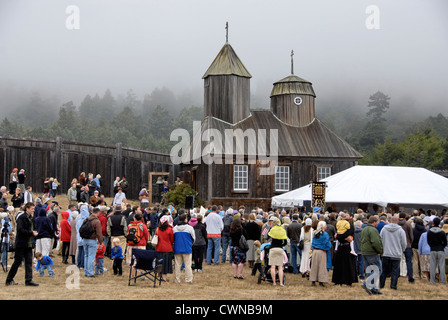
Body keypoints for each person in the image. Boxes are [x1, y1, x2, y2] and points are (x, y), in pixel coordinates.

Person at [6, 202, 39, 286]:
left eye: (33, 208)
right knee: (17, 262)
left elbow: (32, 228)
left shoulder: (31, 218)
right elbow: (20, 230)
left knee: (28, 262)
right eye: (32, 208)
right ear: (27, 209)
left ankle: (28, 280)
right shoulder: (21, 218)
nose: (33, 210)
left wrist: (34, 232)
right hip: (21, 244)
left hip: (29, 244)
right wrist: (31, 233)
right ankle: (9, 279)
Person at [379, 215, 407, 290]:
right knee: (395, 271)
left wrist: (382, 249)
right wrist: (402, 250)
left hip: (386, 253)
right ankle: (393, 286)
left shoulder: (384, 229)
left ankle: (381, 285)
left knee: (384, 271)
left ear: (390, 220)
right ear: (397, 221)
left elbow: (380, 240)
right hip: (396, 254)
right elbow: (404, 242)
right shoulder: (401, 231)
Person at [332, 213, 358, 286]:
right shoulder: (339, 224)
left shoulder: (351, 226)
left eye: (347, 215)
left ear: (350, 217)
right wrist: (340, 237)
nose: (345, 217)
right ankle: (338, 280)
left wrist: (339, 236)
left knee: (348, 264)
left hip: (347, 247)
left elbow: (345, 235)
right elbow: (338, 235)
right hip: (340, 246)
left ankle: (348, 281)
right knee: (339, 264)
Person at [360, 215, 384, 295]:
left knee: (370, 271)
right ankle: (367, 284)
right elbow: (376, 242)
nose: (377, 223)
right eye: (377, 222)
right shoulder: (373, 230)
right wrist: (380, 251)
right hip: (372, 253)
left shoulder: (364, 229)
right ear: (374, 222)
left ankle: (374, 289)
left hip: (365, 252)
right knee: (378, 270)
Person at [173, 213, 195, 284]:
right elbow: (194, 238)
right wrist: (190, 244)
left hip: (177, 248)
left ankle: (177, 279)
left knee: (177, 265)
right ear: (185, 219)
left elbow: (173, 239)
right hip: (187, 248)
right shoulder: (189, 228)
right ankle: (188, 279)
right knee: (188, 265)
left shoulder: (175, 228)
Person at [81, 207, 103, 278]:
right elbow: (99, 233)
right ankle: (90, 272)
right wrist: (100, 242)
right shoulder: (96, 221)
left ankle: (86, 272)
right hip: (92, 240)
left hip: (85, 239)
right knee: (91, 257)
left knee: (86, 256)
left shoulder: (86, 219)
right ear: (98, 212)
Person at [310, 221, 332, 287]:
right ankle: (321, 281)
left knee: (314, 267)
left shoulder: (315, 233)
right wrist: (330, 245)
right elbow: (326, 244)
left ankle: (313, 281)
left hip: (315, 251)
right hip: (322, 252)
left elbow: (313, 242)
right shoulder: (325, 234)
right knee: (322, 267)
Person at [268, 216, 288, 286]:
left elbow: (267, 236)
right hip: (280, 249)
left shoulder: (272, 229)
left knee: (273, 266)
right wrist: (281, 245)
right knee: (280, 267)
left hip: (273, 248)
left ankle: (274, 282)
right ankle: (281, 283)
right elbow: (285, 242)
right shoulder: (282, 230)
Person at [427, 217, 447, 284]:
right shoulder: (442, 232)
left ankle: (432, 281)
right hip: (440, 249)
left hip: (433, 249)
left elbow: (428, 241)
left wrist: (432, 246)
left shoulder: (429, 232)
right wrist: (442, 246)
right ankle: (443, 281)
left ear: (433, 223)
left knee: (432, 266)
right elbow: (445, 242)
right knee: (441, 266)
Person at [155, 215, 174, 282]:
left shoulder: (158, 229)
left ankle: (158, 275)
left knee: (159, 263)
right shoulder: (170, 230)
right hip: (167, 248)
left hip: (159, 248)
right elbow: (172, 240)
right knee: (166, 264)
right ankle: (164, 277)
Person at [398, 212, 415, 283]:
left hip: (398, 245)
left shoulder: (397, 224)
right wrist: (411, 242)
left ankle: (397, 274)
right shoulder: (408, 224)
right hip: (407, 245)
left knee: (398, 261)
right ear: (405, 217)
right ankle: (410, 277)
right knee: (408, 261)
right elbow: (411, 235)